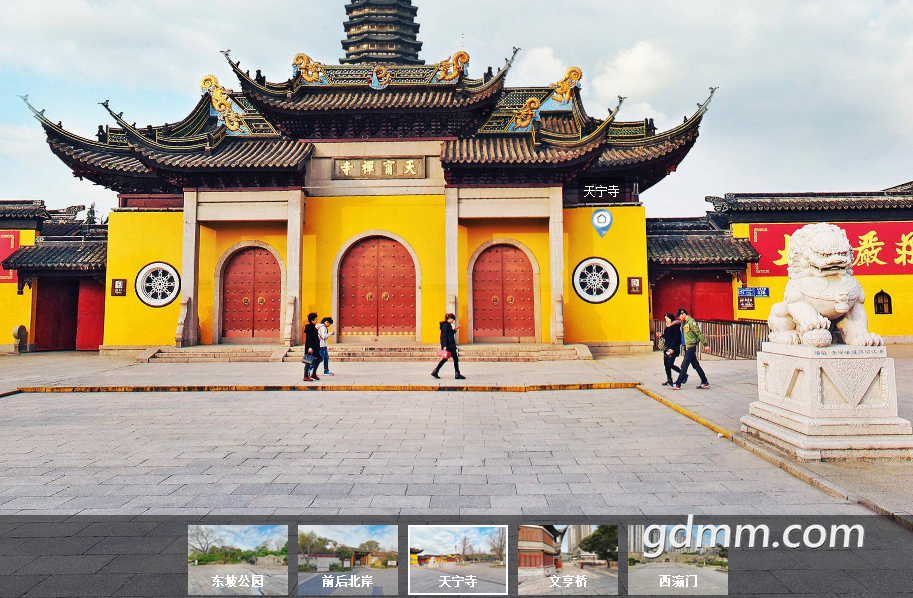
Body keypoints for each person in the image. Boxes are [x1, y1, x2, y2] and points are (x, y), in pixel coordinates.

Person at [671, 308, 710, 389]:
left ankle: (678, 383)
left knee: (684, 365)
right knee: (696, 365)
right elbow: (679, 324)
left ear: (684, 314)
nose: (679, 318)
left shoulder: (691, 322)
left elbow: (698, 333)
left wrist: (705, 344)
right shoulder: (684, 322)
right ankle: (704, 381)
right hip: (687, 346)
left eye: (679, 316)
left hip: (690, 347)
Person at [655, 312, 686, 386]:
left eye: (667, 319)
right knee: (666, 364)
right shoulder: (667, 326)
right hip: (667, 347)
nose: (666, 320)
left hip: (673, 348)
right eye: (665, 319)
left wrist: (672, 348)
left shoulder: (675, 326)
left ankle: (683, 374)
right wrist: (661, 335)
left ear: (671, 318)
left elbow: (676, 338)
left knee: (670, 364)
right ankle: (669, 379)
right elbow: (667, 336)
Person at [432, 313, 465, 380]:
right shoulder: (446, 326)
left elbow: (449, 334)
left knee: (446, 359)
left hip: (449, 345)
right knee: (455, 358)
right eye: (452, 319)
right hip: (449, 346)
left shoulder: (447, 325)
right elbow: (444, 336)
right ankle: (457, 374)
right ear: (449, 319)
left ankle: (435, 371)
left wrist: (454, 330)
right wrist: (444, 346)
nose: (453, 321)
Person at [303, 312, 321, 381]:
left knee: (318, 359)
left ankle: (314, 373)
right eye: (315, 319)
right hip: (311, 347)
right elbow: (309, 338)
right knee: (308, 361)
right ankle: (305, 376)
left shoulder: (313, 327)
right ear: (312, 320)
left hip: (315, 347)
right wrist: (310, 348)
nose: (316, 320)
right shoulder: (310, 327)